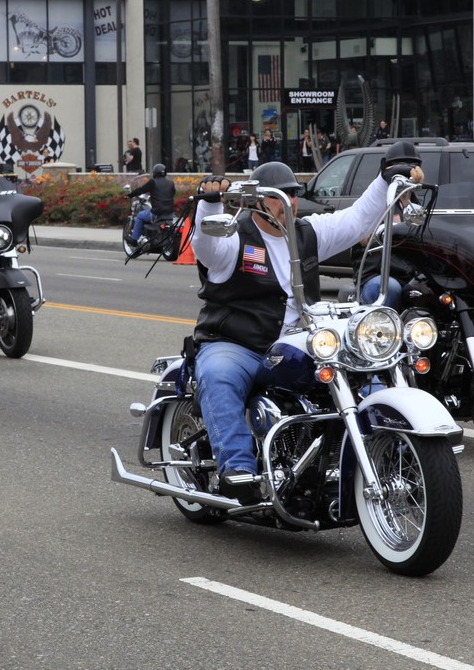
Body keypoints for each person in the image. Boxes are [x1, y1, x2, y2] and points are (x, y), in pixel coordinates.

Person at [188, 155, 422, 504]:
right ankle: (237, 468)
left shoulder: (307, 233)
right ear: (256, 201)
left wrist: (385, 180)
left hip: (296, 342)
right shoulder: (234, 239)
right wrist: (209, 203)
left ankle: (388, 447)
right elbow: (205, 247)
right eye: (277, 195)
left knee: (360, 366)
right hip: (238, 342)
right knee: (219, 375)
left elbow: (356, 220)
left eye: (293, 193)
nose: (289, 202)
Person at [357, 141, 427, 307]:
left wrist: (406, 200)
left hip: (411, 274)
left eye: (411, 166)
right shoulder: (376, 200)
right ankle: (385, 323)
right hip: (379, 275)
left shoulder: (417, 204)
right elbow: (363, 237)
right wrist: (385, 232)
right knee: (390, 288)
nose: (405, 171)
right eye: (398, 166)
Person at [126, 163, 176, 246]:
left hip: (157, 213)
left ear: (155, 173)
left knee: (140, 215)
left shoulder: (153, 182)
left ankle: (134, 240)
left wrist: (130, 195)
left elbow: (141, 190)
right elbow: (173, 193)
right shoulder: (171, 183)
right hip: (170, 213)